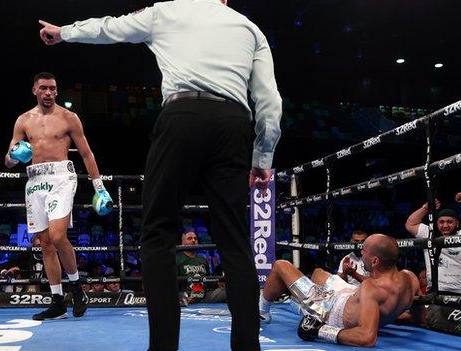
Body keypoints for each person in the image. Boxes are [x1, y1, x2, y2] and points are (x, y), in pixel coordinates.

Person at [39, 1, 282, 349]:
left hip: (181, 117)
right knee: (234, 240)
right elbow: (270, 101)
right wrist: (263, 156)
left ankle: (163, 347)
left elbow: (109, 28)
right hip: (233, 124)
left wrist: (63, 32)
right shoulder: (247, 26)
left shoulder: (166, 11)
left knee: (156, 234)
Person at [5, 72, 114, 320]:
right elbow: (8, 160)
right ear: (34, 89)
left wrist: (100, 187)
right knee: (44, 244)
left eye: (53, 89)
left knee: (57, 236)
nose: (48, 93)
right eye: (43, 88)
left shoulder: (68, 118)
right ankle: (57, 302)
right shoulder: (23, 120)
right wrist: (15, 156)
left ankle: (76, 287)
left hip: (61, 178)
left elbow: (86, 154)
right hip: (34, 180)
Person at [258, 234, 421, 347]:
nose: (361, 253)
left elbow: (367, 338)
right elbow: (417, 314)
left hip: (329, 308)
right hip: (349, 293)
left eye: (364, 250)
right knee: (318, 273)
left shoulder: (371, 288)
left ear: (376, 260)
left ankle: (262, 312)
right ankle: (297, 297)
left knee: (281, 265)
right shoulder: (410, 277)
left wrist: (320, 330)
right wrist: (390, 316)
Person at [404, 192, 461, 295]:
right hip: (435, 293)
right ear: (436, 223)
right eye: (441, 222)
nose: (445, 225)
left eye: (449, 222)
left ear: (457, 223)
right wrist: (426, 207)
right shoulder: (429, 234)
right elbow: (410, 224)